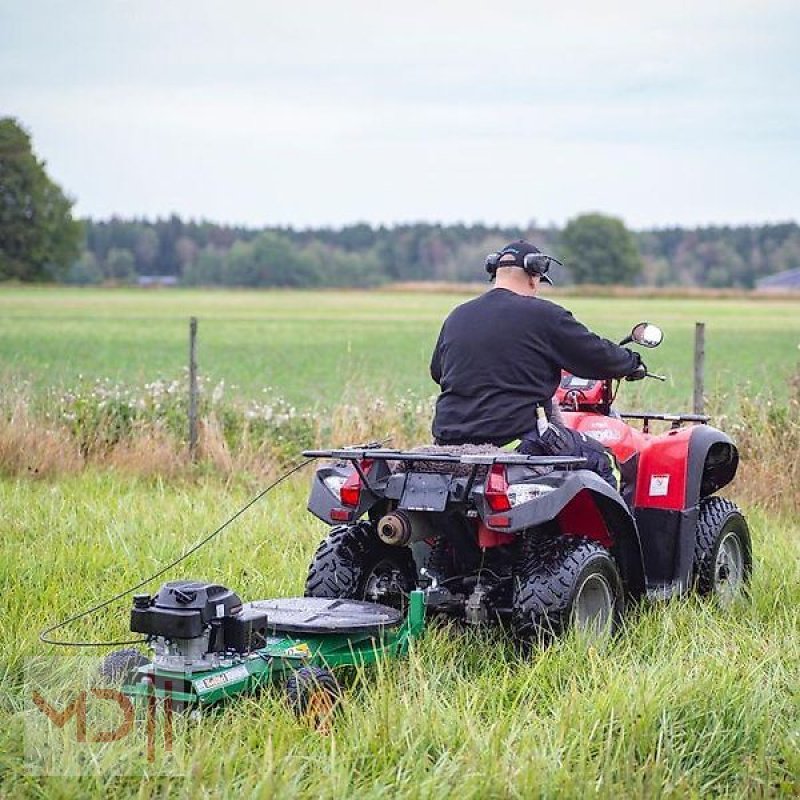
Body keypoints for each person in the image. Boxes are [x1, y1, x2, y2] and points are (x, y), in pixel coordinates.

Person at [429, 239, 646, 488]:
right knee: (602, 460)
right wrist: (631, 362)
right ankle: (617, 528)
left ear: (495, 273)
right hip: (514, 442)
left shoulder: (457, 315)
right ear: (534, 276)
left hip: (447, 443)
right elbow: (596, 355)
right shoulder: (544, 315)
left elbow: (438, 372)